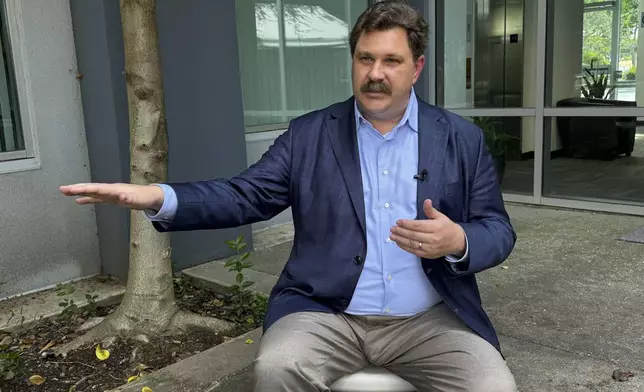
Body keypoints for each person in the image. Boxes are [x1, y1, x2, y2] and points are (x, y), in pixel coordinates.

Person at [60, 1, 517, 390]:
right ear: (353, 60)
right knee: (277, 368)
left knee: (493, 385)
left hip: (430, 318)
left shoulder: (460, 138)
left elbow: (497, 229)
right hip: (326, 312)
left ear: (416, 68)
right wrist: (158, 196)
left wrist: (458, 242)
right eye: (364, 58)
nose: (375, 74)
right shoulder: (309, 134)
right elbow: (244, 195)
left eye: (391, 61)